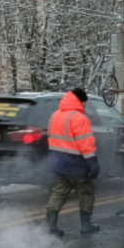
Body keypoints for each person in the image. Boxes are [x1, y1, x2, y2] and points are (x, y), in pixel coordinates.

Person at [45, 88, 101, 236]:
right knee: (86, 194)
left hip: (59, 163)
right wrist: (93, 164)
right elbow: (86, 145)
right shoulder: (79, 118)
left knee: (58, 193)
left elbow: (51, 138)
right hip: (77, 165)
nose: (85, 106)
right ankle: (86, 225)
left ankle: (50, 226)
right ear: (80, 101)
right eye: (85, 103)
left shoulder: (54, 116)